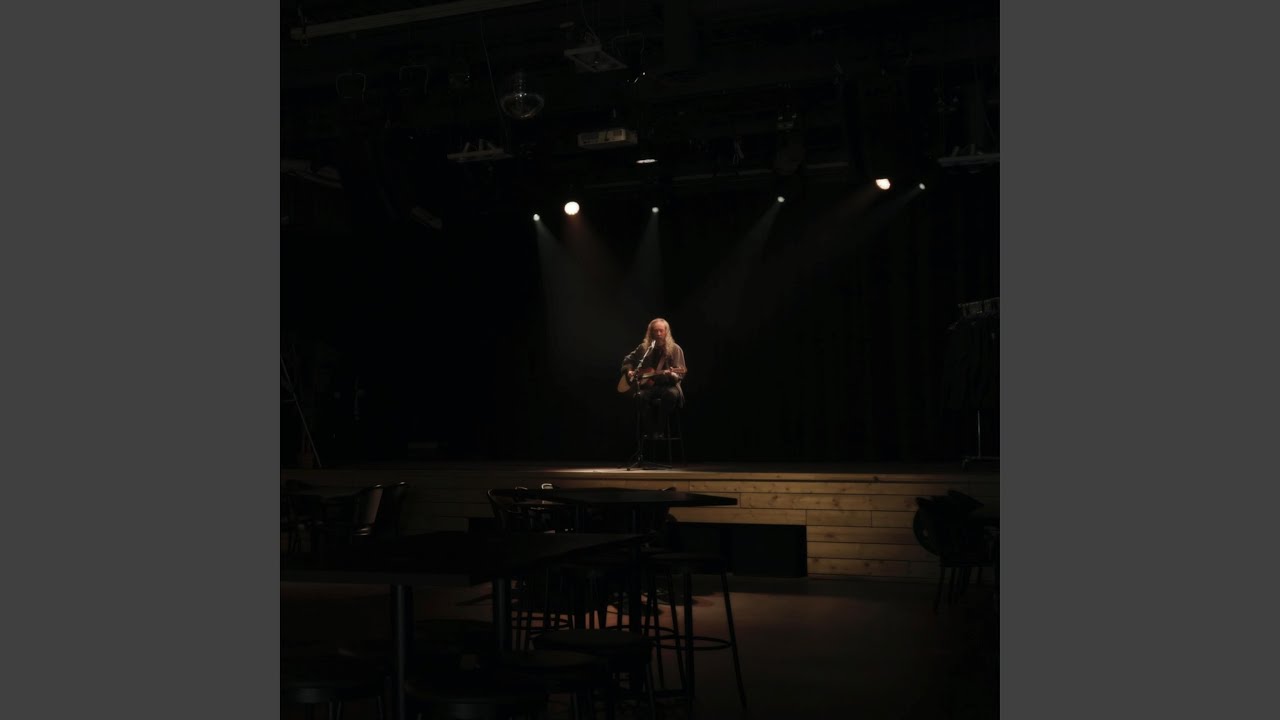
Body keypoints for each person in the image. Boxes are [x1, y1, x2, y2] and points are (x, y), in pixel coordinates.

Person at [620, 317, 687, 440]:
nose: (658, 334)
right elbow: (628, 360)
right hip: (650, 387)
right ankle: (650, 430)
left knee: (671, 395)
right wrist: (629, 371)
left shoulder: (675, 349)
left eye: (661, 331)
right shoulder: (644, 348)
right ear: (650, 333)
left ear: (666, 332)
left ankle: (659, 430)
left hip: (669, 386)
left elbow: (680, 374)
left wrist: (673, 375)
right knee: (639, 396)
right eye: (655, 331)